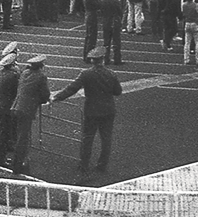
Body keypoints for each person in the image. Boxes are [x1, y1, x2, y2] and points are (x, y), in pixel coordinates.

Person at [52, 47, 122, 176]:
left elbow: (72, 88)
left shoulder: (86, 74)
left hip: (91, 110)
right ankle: (102, 165)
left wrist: (57, 97)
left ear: (92, 61)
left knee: (87, 138)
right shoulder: (111, 74)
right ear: (103, 59)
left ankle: (84, 165)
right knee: (106, 139)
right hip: (108, 110)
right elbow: (118, 92)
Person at [9, 54, 50, 176]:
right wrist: (42, 100)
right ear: (41, 66)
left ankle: (18, 161)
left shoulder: (25, 73)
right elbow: (45, 94)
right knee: (23, 138)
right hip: (26, 110)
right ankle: (18, 165)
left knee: (19, 136)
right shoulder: (41, 76)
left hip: (16, 107)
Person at [0, 51, 19, 168]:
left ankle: (2, 154)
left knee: (0, 132)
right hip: (5, 109)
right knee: (3, 135)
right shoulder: (13, 76)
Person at [180, 0, 198, 65]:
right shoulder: (196, 5)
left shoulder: (184, 5)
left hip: (187, 23)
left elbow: (183, 13)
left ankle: (186, 59)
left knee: (187, 43)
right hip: (195, 23)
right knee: (197, 42)